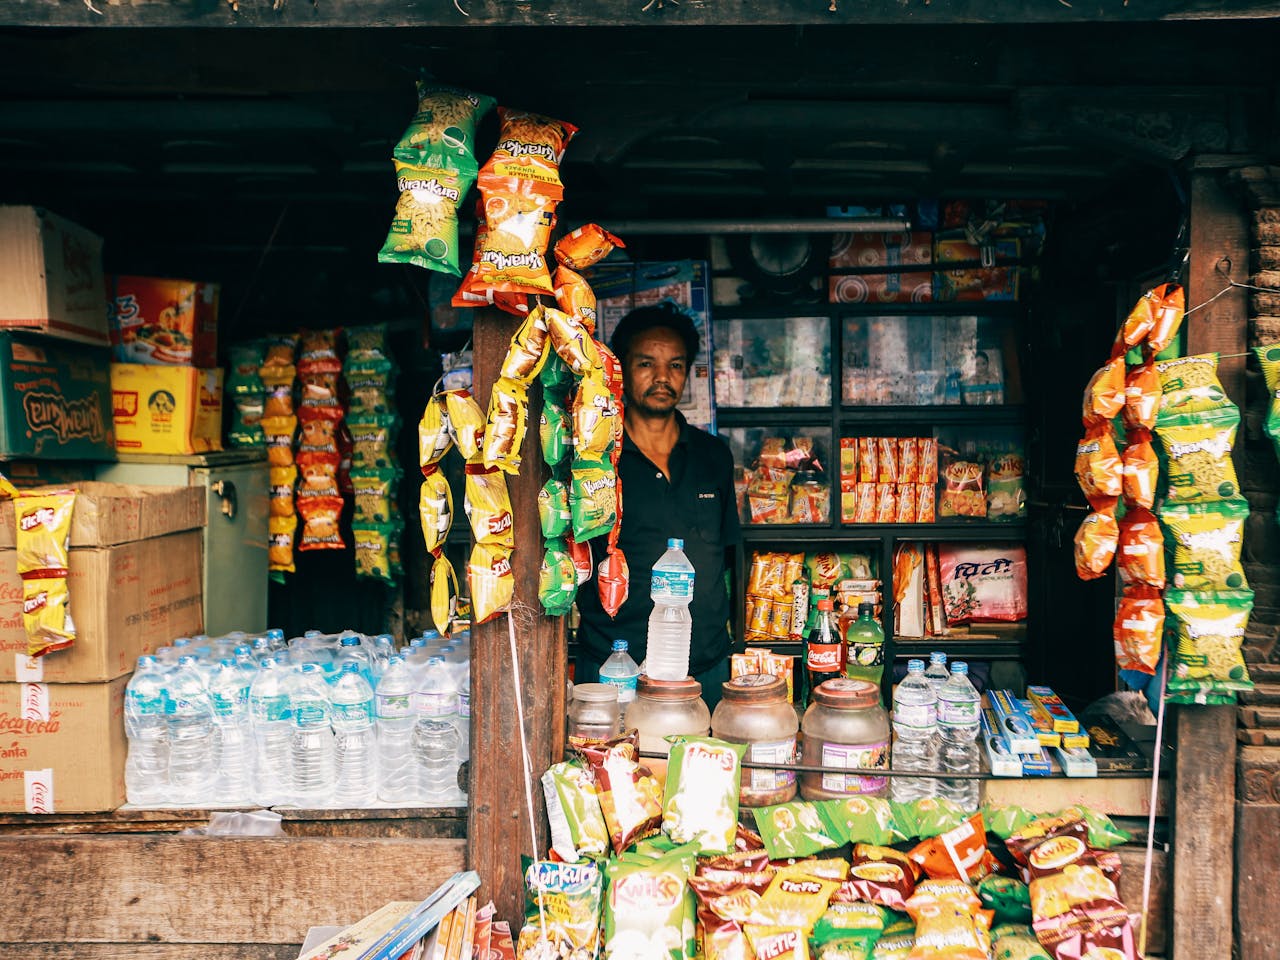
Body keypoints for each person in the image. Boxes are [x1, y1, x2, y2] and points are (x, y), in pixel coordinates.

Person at [574, 301, 739, 712]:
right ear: (623, 369)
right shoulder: (594, 458)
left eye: (676, 365)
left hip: (705, 667)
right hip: (616, 666)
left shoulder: (713, 456)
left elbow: (730, 556)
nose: (663, 377)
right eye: (647, 363)